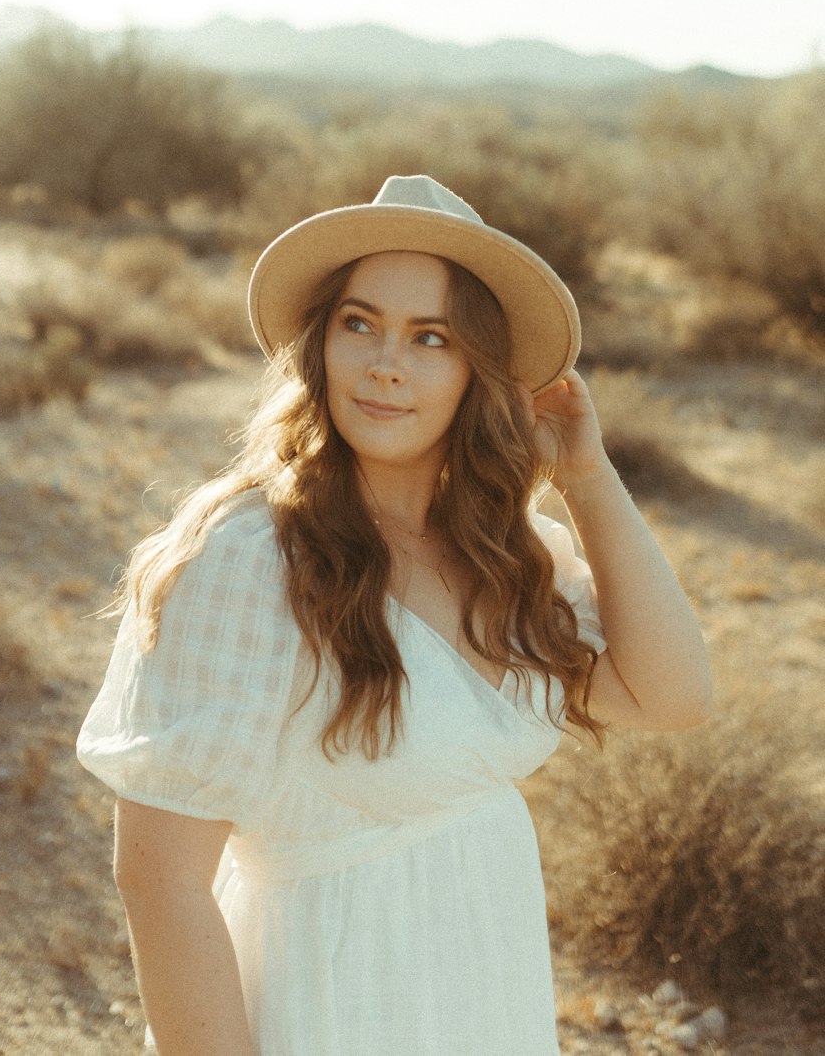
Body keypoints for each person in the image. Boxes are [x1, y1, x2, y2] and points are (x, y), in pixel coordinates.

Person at [77, 174, 712, 1056]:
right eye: (360, 323)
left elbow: (673, 693)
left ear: (477, 374)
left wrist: (589, 478)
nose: (386, 363)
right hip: (331, 1000)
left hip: (486, 993)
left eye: (432, 338)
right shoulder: (252, 559)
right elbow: (158, 878)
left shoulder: (503, 549)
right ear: (321, 344)